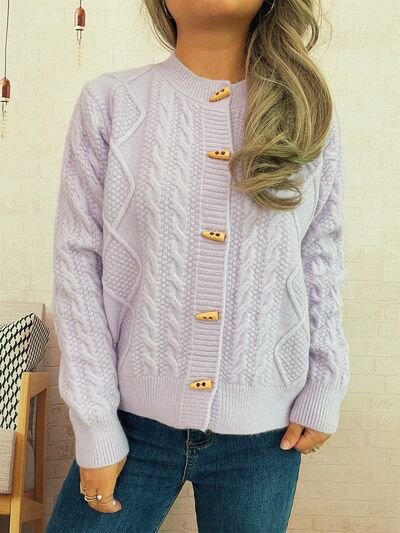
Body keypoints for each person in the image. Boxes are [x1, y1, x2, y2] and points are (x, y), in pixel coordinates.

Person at [47, 0, 350, 531]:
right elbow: (77, 267)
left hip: (266, 436)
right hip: (130, 425)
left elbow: (319, 258)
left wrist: (327, 382)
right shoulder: (112, 103)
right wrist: (95, 424)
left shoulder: (306, 113)